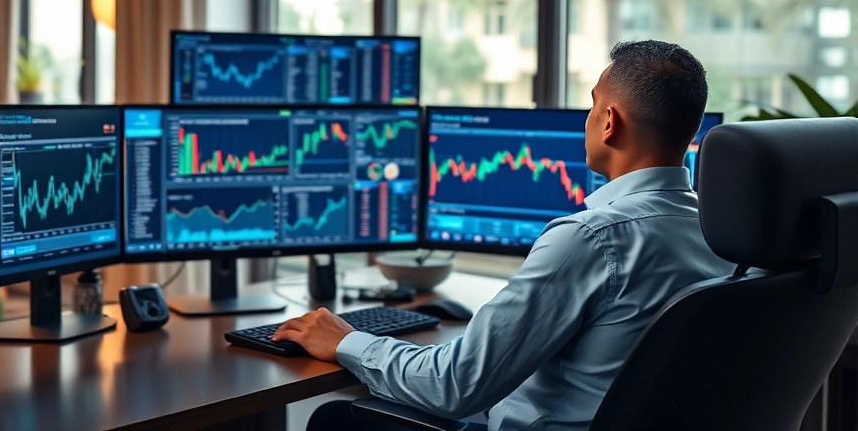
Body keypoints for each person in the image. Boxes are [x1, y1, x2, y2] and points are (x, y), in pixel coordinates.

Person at [273, 40, 736, 431]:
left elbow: (454, 386)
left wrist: (346, 340)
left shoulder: (592, 240)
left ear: (610, 120)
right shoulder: (725, 234)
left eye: (593, 103)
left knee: (336, 420)